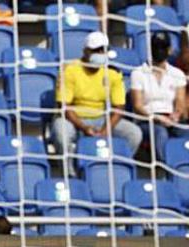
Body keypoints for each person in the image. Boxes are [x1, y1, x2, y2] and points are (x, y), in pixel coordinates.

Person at [51, 31, 143, 170]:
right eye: (96, 50)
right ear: (85, 51)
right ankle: (70, 173)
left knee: (134, 133)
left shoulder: (113, 72)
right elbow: (64, 106)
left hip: (101, 118)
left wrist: (106, 130)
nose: (100, 54)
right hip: (73, 118)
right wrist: (83, 127)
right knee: (61, 132)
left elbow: (119, 107)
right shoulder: (69, 70)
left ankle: (116, 168)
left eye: (103, 50)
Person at [130, 31, 189, 164]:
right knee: (160, 133)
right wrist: (156, 117)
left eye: (162, 47)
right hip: (147, 120)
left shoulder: (177, 74)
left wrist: (176, 114)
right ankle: (166, 168)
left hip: (171, 118)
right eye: (156, 47)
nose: (159, 51)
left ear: (169, 50)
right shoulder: (138, 73)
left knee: (185, 131)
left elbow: (180, 101)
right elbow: (138, 105)